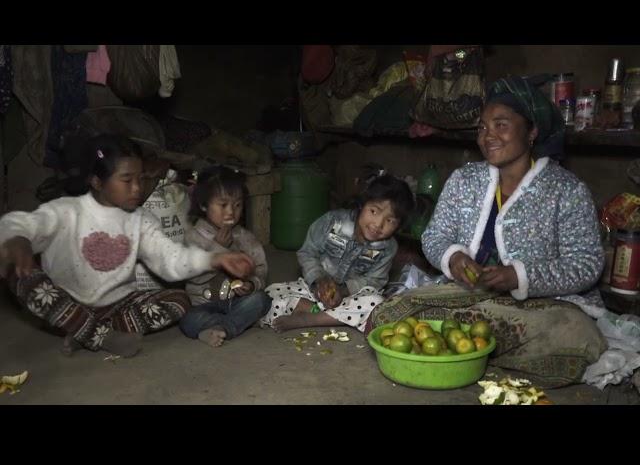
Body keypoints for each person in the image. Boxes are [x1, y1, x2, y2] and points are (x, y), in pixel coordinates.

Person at [368, 76, 607, 387]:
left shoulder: (566, 190)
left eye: (501, 125)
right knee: (387, 316)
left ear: (531, 131)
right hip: (467, 296)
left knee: (576, 335)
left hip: (539, 307)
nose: (487, 136)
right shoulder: (464, 180)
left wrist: (519, 277)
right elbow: (434, 236)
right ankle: (483, 351)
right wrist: (453, 258)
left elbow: (586, 264)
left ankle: (469, 349)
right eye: (482, 128)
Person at [0, 134, 254, 358]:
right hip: (61, 307)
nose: (137, 188)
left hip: (115, 308)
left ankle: (85, 333)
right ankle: (101, 337)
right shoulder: (66, 211)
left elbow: (171, 259)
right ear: (97, 182)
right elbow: (18, 223)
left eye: (141, 179)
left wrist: (214, 259)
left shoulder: (141, 219)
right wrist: (17, 239)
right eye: (126, 180)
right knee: (17, 272)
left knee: (179, 300)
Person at [261, 173, 414, 333]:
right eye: (374, 211)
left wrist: (343, 291)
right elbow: (308, 252)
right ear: (362, 205)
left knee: (376, 304)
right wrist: (319, 280)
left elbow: (375, 280)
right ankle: (323, 313)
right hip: (312, 290)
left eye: (390, 221)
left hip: (349, 298)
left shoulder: (388, 248)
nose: (378, 224)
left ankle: (310, 318)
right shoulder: (332, 221)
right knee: (269, 295)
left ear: (399, 226)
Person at [179, 166, 271, 347]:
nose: (230, 212)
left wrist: (251, 284)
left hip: (236, 302)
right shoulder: (193, 237)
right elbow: (191, 276)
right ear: (204, 205)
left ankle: (220, 328)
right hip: (203, 305)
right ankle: (231, 326)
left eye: (237, 205)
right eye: (223, 205)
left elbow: (261, 269)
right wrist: (218, 249)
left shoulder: (245, 238)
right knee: (188, 319)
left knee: (261, 300)